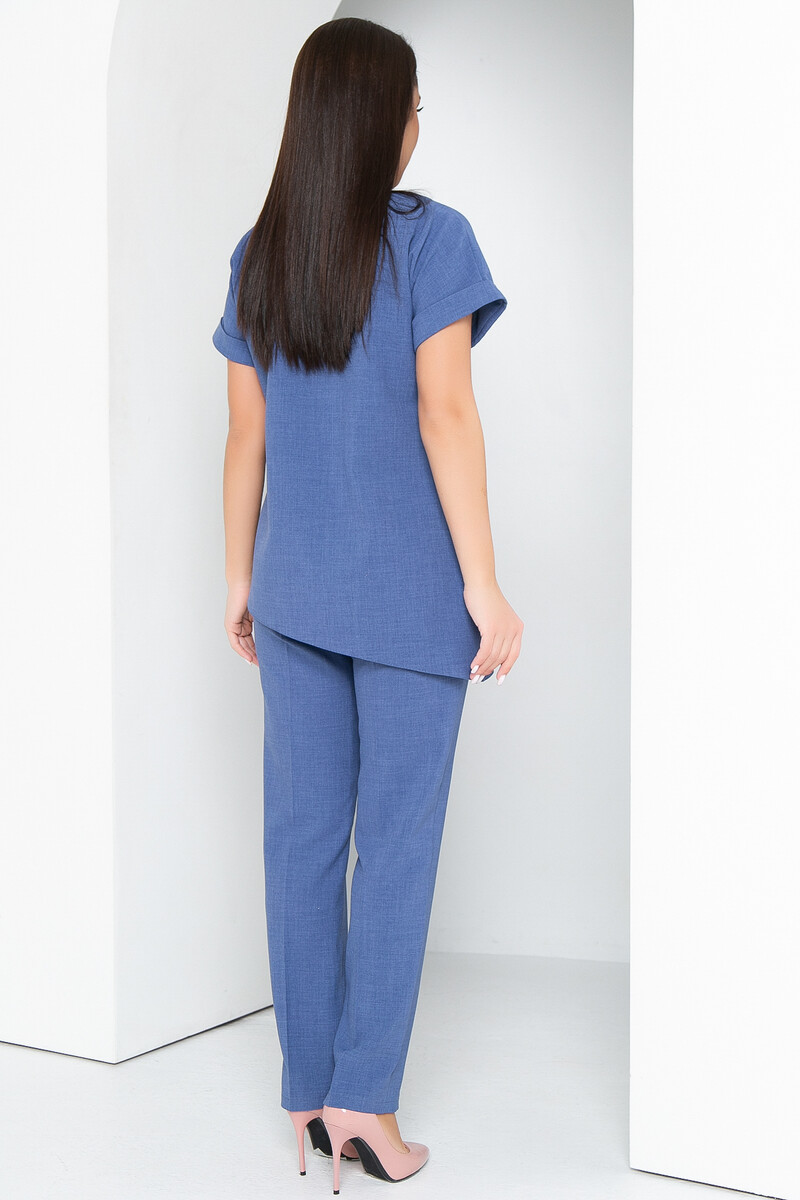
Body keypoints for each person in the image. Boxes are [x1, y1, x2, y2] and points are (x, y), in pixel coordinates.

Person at [212, 15, 523, 1191]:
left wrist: (240, 580)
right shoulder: (431, 239)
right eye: (413, 106)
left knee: (299, 840)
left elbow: (244, 441)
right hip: (407, 601)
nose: (416, 126)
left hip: (292, 590)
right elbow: (445, 414)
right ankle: (364, 1109)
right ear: (385, 122)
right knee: (393, 848)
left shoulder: (259, 253)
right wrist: (482, 586)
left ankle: (307, 1097)